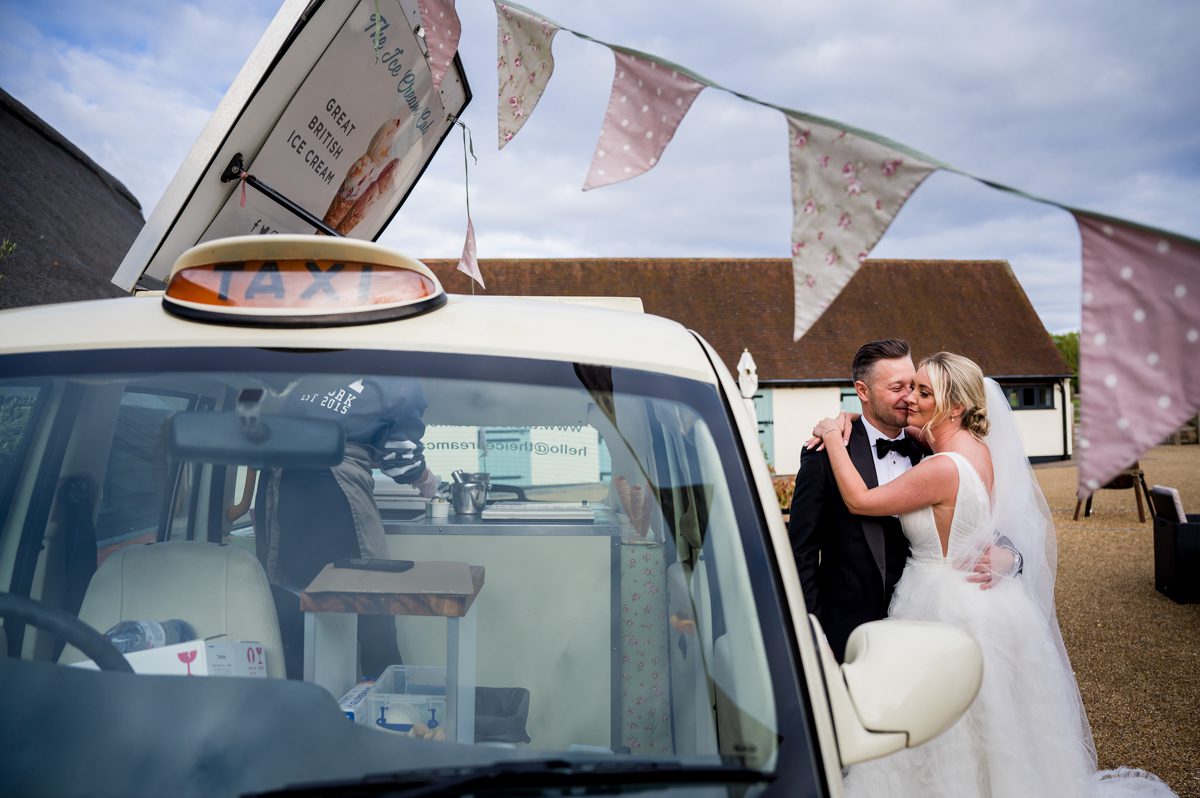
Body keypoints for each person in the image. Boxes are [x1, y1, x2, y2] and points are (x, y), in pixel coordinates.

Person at [812, 352, 1175, 797]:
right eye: (907, 388)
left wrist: (832, 435)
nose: (911, 400)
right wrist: (855, 416)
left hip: (941, 601)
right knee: (994, 722)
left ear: (955, 406)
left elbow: (861, 502)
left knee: (942, 720)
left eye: (924, 391)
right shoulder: (976, 450)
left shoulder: (941, 466)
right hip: (989, 602)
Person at [788, 339, 1017, 661]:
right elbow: (802, 551)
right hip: (850, 632)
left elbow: (982, 522)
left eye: (916, 388)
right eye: (898, 387)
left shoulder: (935, 451)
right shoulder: (824, 457)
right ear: (863, 391)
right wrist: (814, 633)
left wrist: (1010, 557)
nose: (909, 398)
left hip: (935, 614)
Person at [254, 375, 438, 680]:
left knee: (295, 606)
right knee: (374, 608)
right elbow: (401, 461)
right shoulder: (401, 381)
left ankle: (303, 705)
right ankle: (390, 713)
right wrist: (428, 483)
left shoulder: (311, 368)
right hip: (332, 490)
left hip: (279, 486)